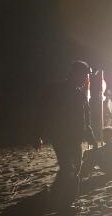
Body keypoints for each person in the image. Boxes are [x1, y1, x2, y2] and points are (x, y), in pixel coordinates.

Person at [38, 60, 98, 201]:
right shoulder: (55, 90)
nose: (86, 80)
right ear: (76, 74)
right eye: (84, 76)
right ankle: (67, 200)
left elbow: (86, 119)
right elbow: (43, 113)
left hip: (75, 138)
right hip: (60, 137)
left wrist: (91, 138)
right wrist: (38, 134)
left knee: (75, 168)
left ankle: (57, 194)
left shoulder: (81, 95)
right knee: (68, 168)